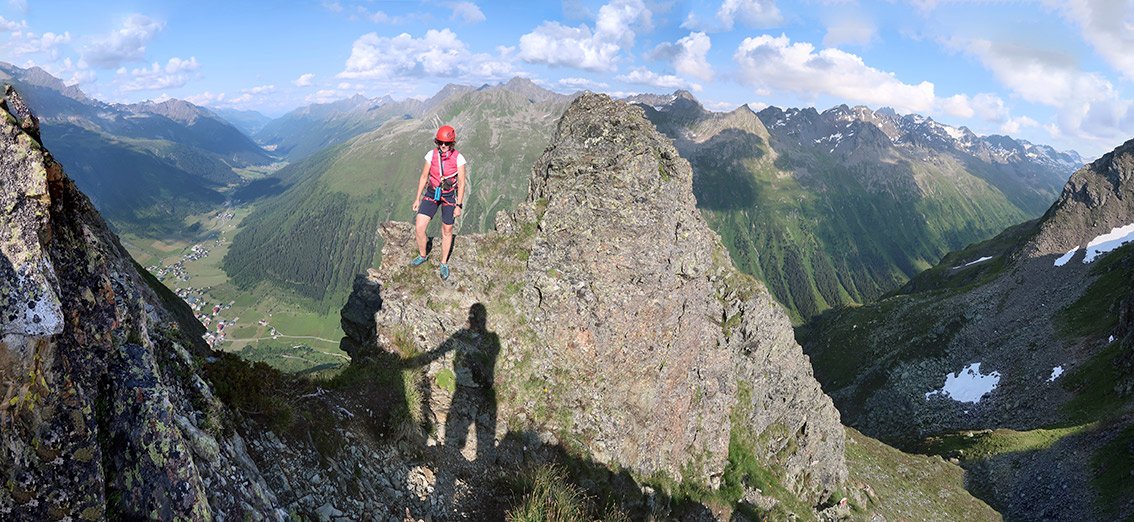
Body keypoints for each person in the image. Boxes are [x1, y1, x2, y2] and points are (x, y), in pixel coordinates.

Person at [410, 125, 467, 280]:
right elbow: (424, 176)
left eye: (446, 143)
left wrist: (459, 205)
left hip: (449, 196)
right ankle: (423, 255)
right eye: (440, 142)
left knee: (447, 230)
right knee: (419, 227)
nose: (443, 145)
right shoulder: (431, 155)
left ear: (452, 143)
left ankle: (443, 263)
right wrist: (417, 198)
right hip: (432, 193)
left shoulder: (459, 159)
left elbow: (462, 183)